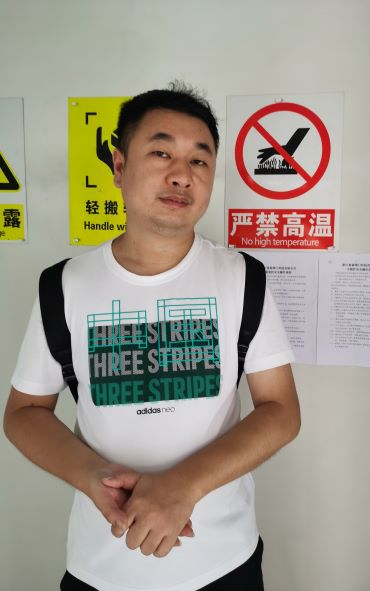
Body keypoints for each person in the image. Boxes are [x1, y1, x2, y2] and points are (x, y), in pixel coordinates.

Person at [4, 83, 301, 591]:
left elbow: (281, 410)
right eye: (161, 153)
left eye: (199, 160)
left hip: (223, 562)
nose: (182, 174)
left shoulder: (241, 277)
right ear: (119, 166)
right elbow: (24, 412)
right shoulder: (65, 285)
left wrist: (183, 486)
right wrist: (94, 478)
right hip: (101, 565)